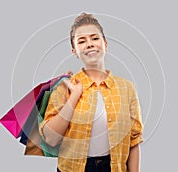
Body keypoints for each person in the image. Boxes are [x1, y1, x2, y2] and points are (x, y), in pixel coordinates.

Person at [39, 12, 144, 172]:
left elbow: (134, 141)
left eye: (95, 38)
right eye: (81, 41)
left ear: (105, 44)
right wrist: (73, 97)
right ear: (74, 51)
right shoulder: (64, 87)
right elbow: (51, 139)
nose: (89, 44)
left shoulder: (127, 88)